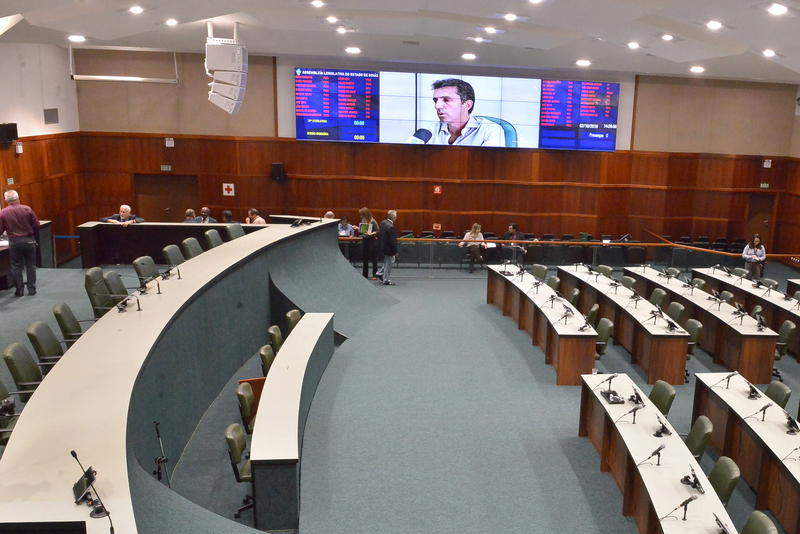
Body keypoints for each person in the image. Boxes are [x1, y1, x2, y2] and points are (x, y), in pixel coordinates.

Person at [429, 78, 505, 147]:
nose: (437, 106)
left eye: (447, 100)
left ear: (467, 105)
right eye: (435, 101)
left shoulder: (489, 130)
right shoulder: (429, 129)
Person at [0, 190, 40, 296]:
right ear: (18, 198)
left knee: (16, 266)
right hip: (28, 240)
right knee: (31, 265)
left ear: (6, 200)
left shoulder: (3, 212)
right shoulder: (27, 209)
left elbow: (0, 230)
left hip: (14, 242)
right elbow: (37, 224)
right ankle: (31, 289)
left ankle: (19, 290)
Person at [358, 207, 380, 279]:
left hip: (371, 240)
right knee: (365, 257)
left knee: (373, 257)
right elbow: (363, 230)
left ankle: (375, 273)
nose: (361, 216)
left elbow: (378, 230)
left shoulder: (373, 221)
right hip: (365, 239)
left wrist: (371, 233)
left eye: (362, 215)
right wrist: (358, 228)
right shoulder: (363, 220)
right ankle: (365, 274)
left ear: (366, 214)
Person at [378, 210, 398, 286]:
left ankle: (380, 273)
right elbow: (392, 241)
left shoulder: (383, 223)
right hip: (389, 249)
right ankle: (386, 280)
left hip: (383, 247)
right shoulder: (391, 227)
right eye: (395, 217)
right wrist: (395, 251)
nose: (396, 218)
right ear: (393, 217)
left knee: (388, 261)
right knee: (388, 264)